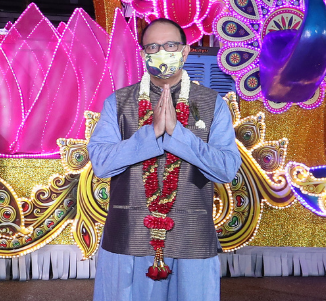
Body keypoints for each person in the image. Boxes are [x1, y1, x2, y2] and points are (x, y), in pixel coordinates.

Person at [89, 18, 241, 301]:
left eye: (170, 45)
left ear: (184, 51)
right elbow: (101, 163)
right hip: (127, 237)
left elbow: (226, 169)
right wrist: (150, 135)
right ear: (144, 54)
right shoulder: (118, 103)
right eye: (153, 46)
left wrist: (177, 134)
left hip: (192, 237)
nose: (162, 52)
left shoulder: (211, 104)